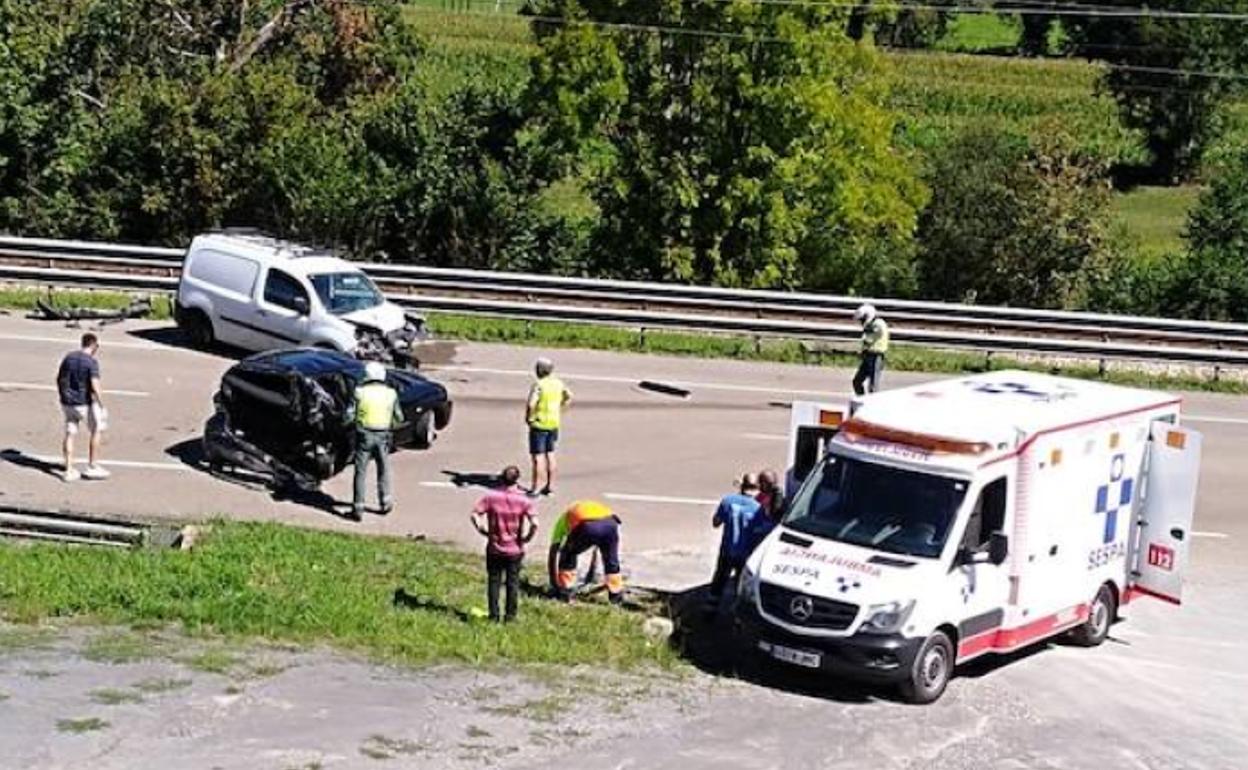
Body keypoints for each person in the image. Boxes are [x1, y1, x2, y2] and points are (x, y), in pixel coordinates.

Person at [471, 465, 538, 623]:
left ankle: (493, 614)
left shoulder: (491, 497)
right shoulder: (523, 500)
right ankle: (510, 616)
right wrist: (527, 537)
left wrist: (482, 529)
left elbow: (475, 514)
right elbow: (535, 523)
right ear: (517, 480)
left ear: (501, 478)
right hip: (514, 549)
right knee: (512, 583)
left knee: (494, 582)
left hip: (494, 547)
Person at [350, 361, 403, 521]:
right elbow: (399, 417)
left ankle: (358, 507)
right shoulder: (391, 394)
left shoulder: (359, 392)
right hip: (383, 436)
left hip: (364, 435)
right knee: (383, 469)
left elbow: (350, 414)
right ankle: (385, 502)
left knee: (360, 471)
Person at [548, 500, 624, 605]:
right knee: (611, 560)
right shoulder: (583, 511)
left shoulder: (562, 523)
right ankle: (616, 596)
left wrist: (554, 583)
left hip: (588, 525)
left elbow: (553, 553)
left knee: (568, 554)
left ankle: (565, 592)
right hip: (611, 523)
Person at [57, 333, 109, 481]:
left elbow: (59, 378)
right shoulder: (91, 362)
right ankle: (92, 466)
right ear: (93, 345)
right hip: (84, 403)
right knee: (96, 429)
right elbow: (95, 385)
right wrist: (102, 405)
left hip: (67, 402)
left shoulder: (69, 357)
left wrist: (63, 395)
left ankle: (68, 470)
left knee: (70, 433)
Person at [708, 474, 763, 609]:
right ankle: (736, 614)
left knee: (719, 579)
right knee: (740, 584)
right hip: (745, 553)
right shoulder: (757, 508)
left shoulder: (727, 501)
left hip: (727, 549)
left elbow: (716, 522)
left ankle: (709, 610)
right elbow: (760, 531)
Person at [525, 357, 572, 497]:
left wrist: (529, 417)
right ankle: (549, 487)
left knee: (537, 457)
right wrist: (561, 409)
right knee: (550, 454)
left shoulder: (539, 384)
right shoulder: (558, 383)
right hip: (553, 423)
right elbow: (569, 396)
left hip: (539, 424)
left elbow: (531, 404)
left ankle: (535, 488)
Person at [852, 303, 889, 396]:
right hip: (868, 356)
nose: (861, 322)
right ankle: (862, 400)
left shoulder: (879, 323)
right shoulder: (870, 325)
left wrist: (866, 332)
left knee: (873, 386)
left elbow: (870, 338)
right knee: (857, 382)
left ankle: (871, 405)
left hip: (876, 356)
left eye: (862, 319)